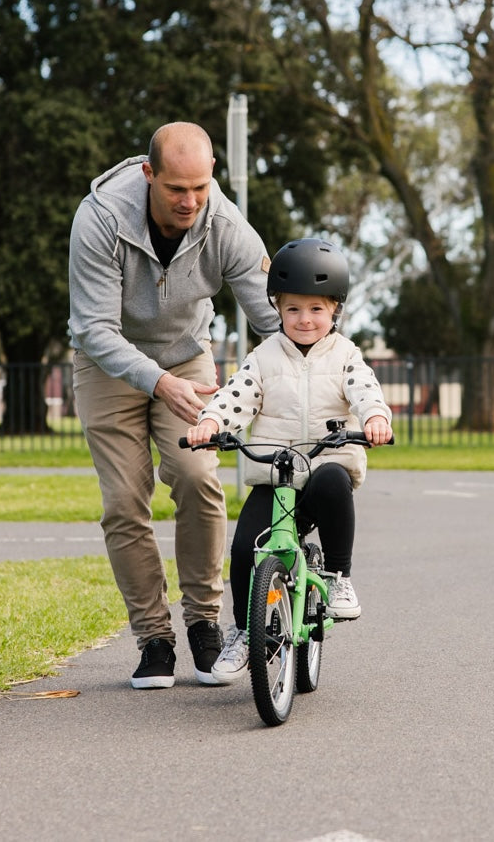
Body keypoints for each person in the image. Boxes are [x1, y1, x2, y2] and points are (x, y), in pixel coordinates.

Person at [68, 122, 280, 689]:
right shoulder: (101, 218)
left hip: (188, 357)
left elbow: (273, 321)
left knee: (196, 476)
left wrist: (319, 372)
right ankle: (153, 639)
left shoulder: (227, 225)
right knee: (124, 501)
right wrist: (157, 382)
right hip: (107, 362)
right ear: (148, 175)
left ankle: (205, 627)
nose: (190, 201)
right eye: (176, 189)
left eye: (201, 187)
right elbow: (94, 328)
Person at [185, 237, 393, 683]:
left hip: (324, 467)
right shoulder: (263, 357)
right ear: (277, 307)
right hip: (276, 477)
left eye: (317, 309)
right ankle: (245, 633)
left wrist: (375, 416)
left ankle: (338, 576)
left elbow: (365, 389)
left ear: (335, 310)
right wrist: (211, 421)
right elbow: (235, 396)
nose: (305, 319)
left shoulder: (345, 356)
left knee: (335, 481)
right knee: (245, 549)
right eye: (294, 308)